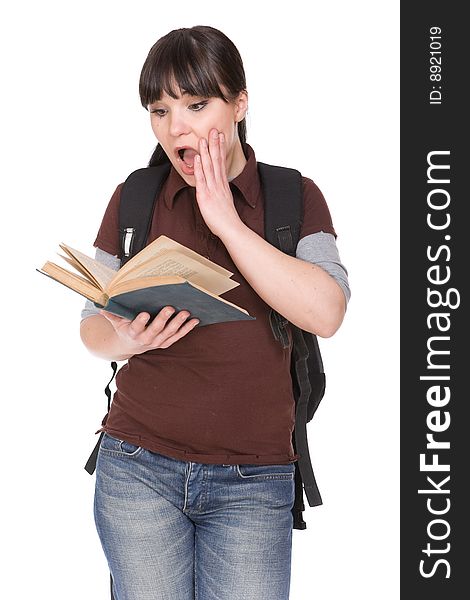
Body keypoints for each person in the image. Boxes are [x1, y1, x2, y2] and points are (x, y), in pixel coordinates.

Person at [80, 25, 350, 600]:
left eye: (197, 105)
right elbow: (91, 329)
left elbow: (326, 312)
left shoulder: (293, 197)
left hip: (255, 481)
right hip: (136, 468)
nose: (176, 127)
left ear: (241, 103)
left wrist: (225, 219)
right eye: (159, 110)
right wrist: (129, 339)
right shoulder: (135, 197)